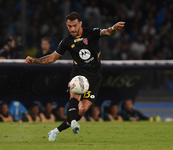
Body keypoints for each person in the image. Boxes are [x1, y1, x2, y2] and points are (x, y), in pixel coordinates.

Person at [25, 12, 124, 141]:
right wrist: (35, 60)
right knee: (74, 96)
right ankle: (72, 123)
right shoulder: (66, 42)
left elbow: (107, 32)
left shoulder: (91, 32)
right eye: (69, 26)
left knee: (82, 110)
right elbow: (51, 58)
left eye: (75, 25)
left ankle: (56, 131)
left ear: (80, 23)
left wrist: (114, 28)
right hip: (79, 73)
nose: (72, 29)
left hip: (94, 75)